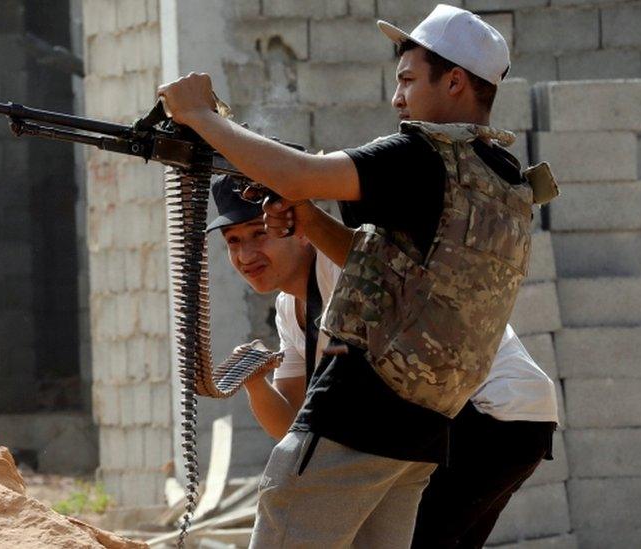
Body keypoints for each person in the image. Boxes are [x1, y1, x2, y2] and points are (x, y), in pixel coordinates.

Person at [159, 4, 558, 547]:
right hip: (423, 424)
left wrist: (201, 118)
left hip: (366, 406)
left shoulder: (420, 154)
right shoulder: (500, 175)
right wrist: (305, 215)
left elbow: (300, 174)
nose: (398, 98)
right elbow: (385, 269)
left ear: (457, 81)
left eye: (408, 80)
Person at [208, 174, 558, 547]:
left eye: (258, 234)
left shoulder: (343, 266)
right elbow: (294, 427)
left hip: (486, 413)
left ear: (298, 227)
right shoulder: (287, 308)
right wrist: (254, 382)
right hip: (474, 420)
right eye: (233, 242)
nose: (245, 256)